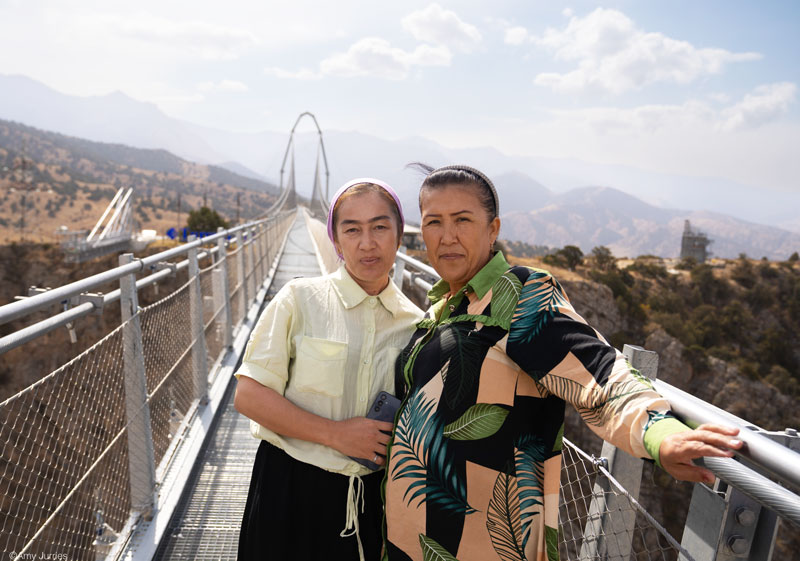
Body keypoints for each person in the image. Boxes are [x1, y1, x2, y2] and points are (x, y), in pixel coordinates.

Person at [382, 164, 743, 561]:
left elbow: (599, 371)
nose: (446, 236)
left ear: (493, 229)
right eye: (433, 222)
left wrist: (660, 434)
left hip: (480, 545)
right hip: (409, 536)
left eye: (462, 220)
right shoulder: (445, 304)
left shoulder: (520, 296)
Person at [234, 179, 423, 561]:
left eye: (380, 227)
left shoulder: (416, 325)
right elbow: (248, 395)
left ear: (399, 235)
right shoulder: (300, 299)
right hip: (287, 488)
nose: (367, 243)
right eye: (351, 229)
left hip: (368, 501)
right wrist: (334, 434)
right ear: (334, 240)